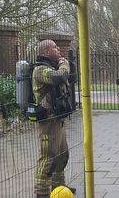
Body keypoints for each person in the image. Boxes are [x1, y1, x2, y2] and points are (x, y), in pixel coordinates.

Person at [33, 40, 75, 198]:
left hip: (58, 119)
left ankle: (59, 189)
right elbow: (59, 77)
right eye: (54, 47)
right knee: (48, 158)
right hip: (48, 121)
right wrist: (64, 66)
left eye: (58, 47)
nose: (58, 49)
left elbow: (70, 76)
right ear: (45, 52)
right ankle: (41, 193)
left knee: (62, 155)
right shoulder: (40, 70)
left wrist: (66, 63)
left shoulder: (53, 66)